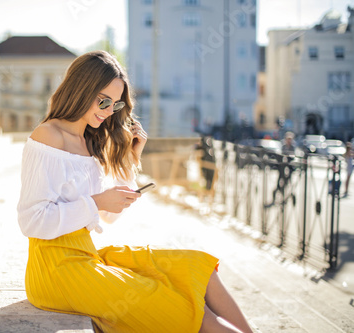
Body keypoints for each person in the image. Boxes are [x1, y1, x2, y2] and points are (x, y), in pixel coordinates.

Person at [17, 51, 253, 333]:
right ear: (80, 88)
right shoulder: (48, 135)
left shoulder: (89, 141)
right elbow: (31, 220)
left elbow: (106, 216)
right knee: (175, 305)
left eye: (115, 105)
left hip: (86, 256)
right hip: (54, 270)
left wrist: (129, 161)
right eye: (103, 100)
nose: (107, 111)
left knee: (195, 267)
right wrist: (98, 201)